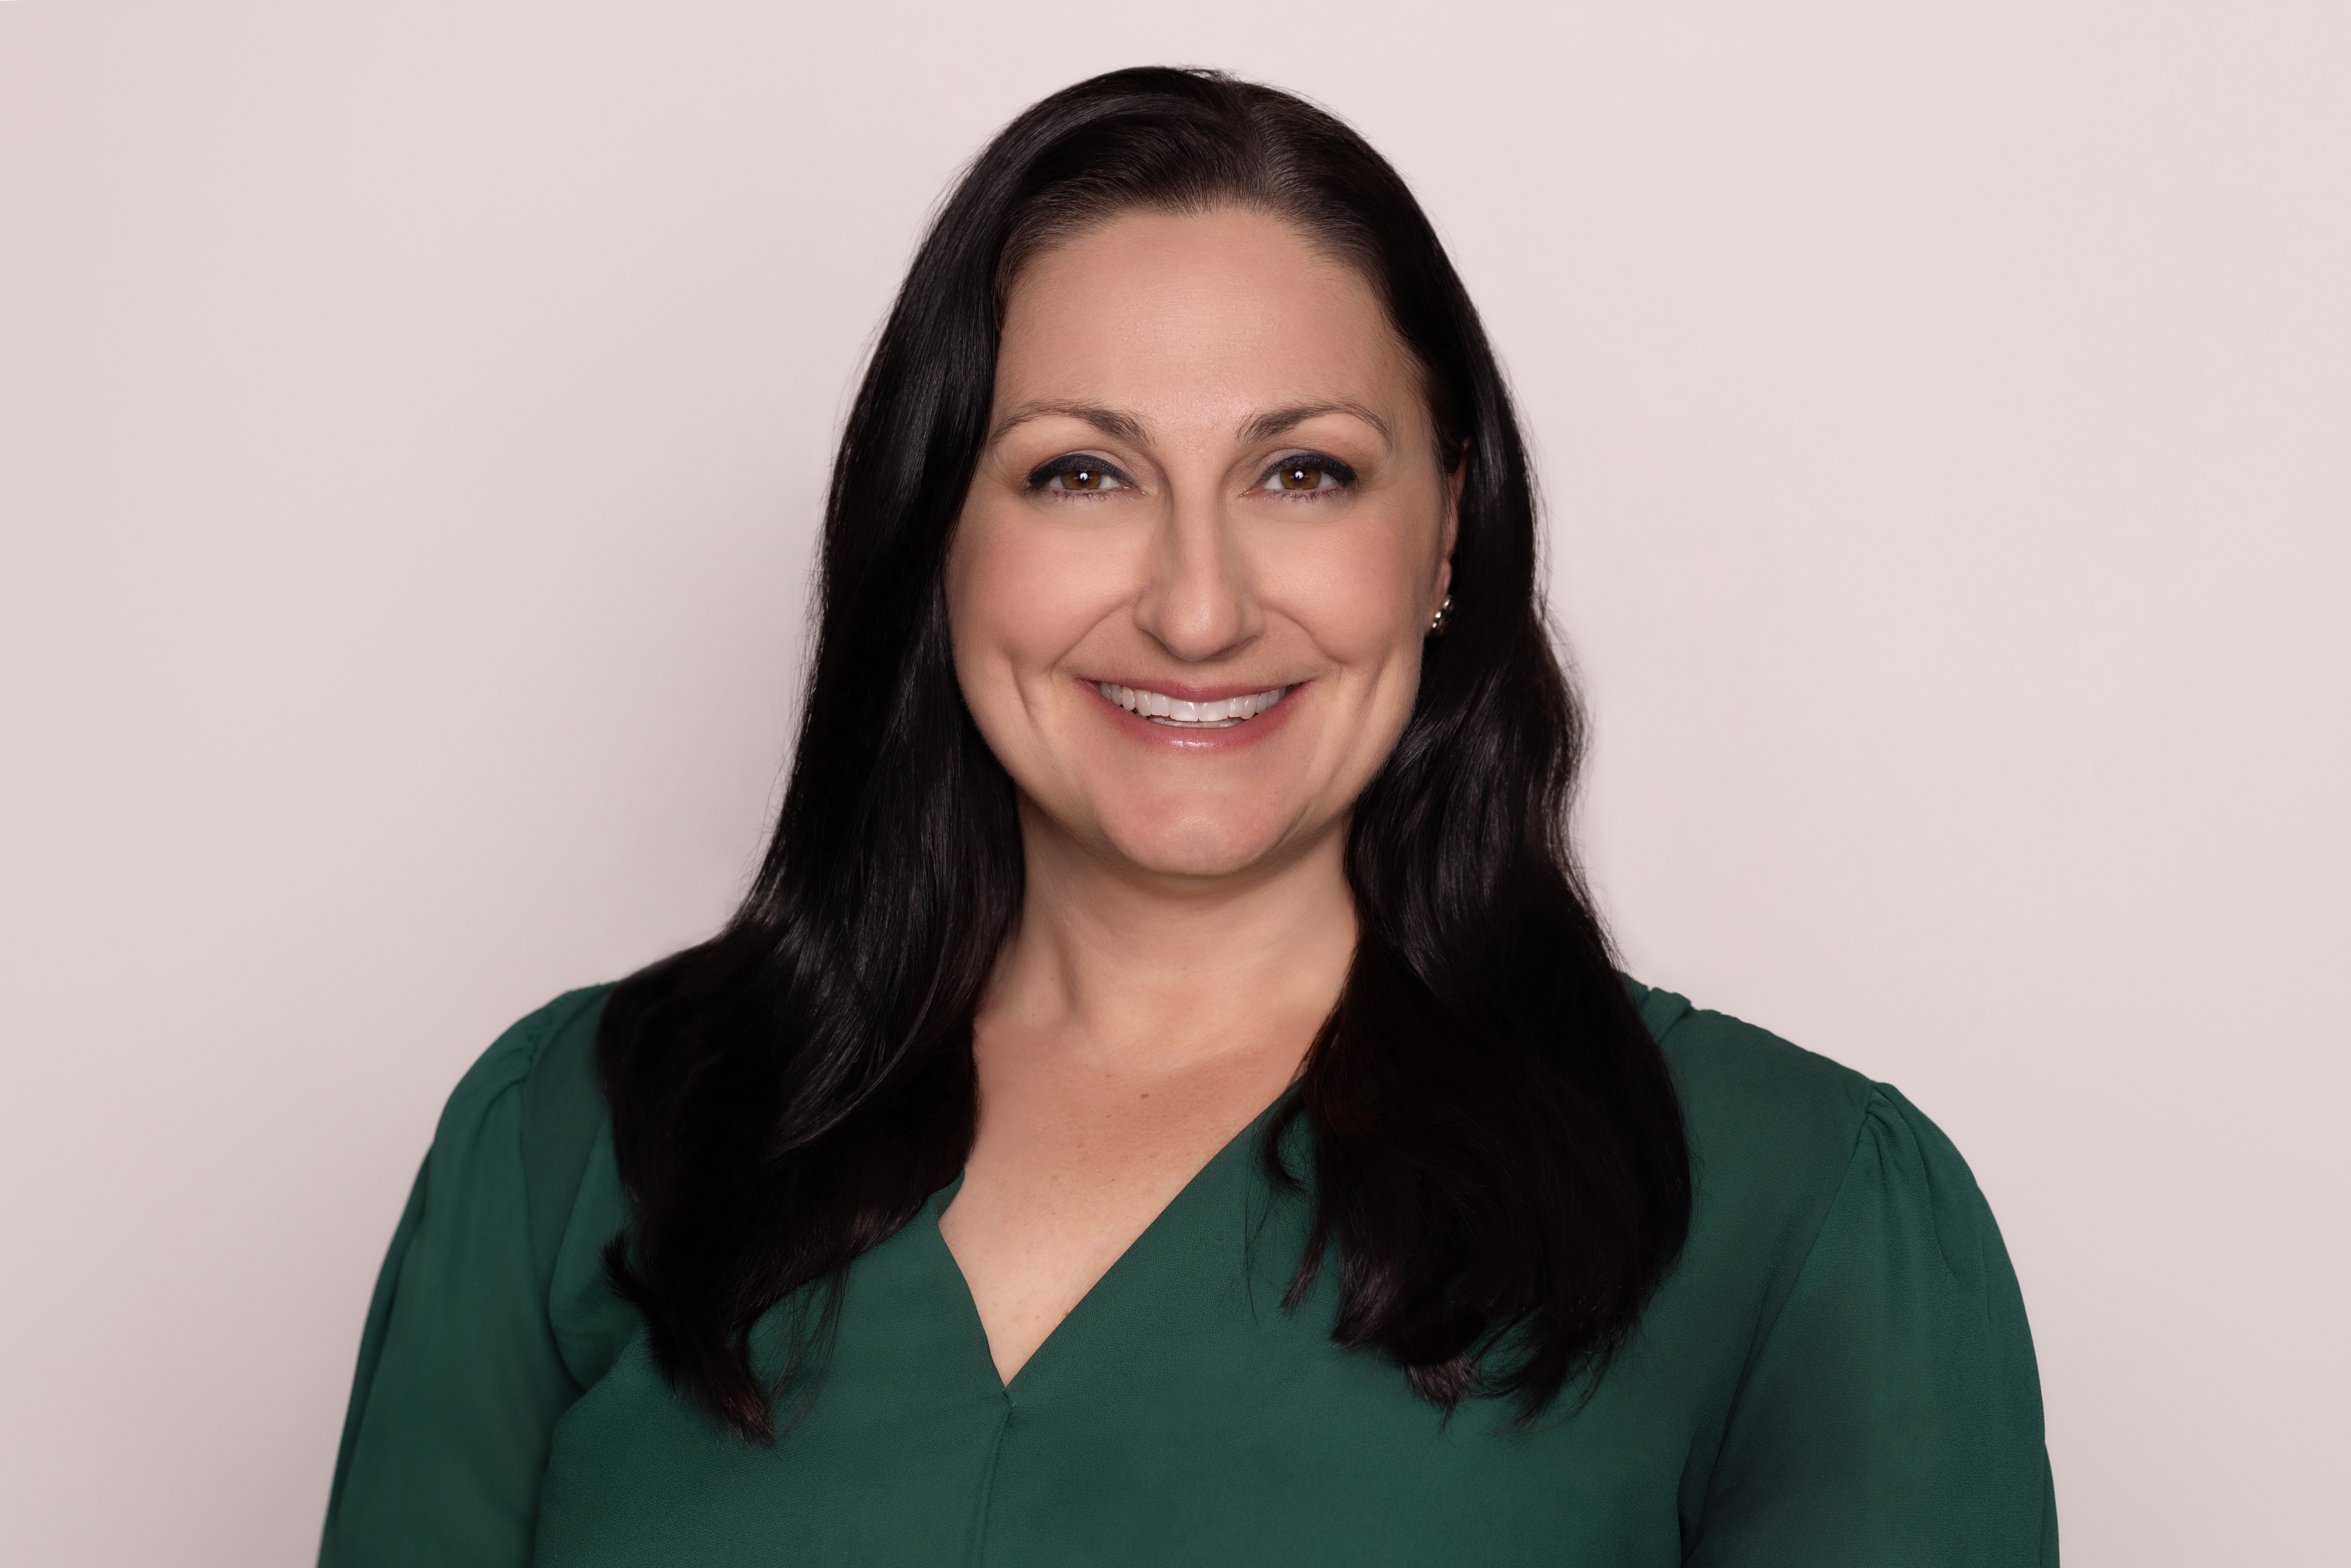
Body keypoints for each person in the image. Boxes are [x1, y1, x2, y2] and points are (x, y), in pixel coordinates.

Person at [319, 67, 2055, 1567]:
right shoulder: (573, 1145)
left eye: (1305, 473)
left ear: (1447, 529)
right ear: (940, 533)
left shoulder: (1799, 1222)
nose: (1200, 609)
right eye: (1083, 472)